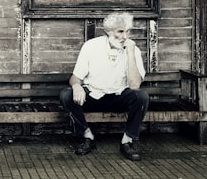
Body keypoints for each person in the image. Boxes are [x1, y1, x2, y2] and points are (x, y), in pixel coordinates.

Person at [59, 12, 149, 161]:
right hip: (94, 96)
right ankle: (87, 136)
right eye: (120, 31)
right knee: (66, 95)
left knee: (142, 96)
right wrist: (76, 87)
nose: (125, 36)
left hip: (120, 97)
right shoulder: (91, 46)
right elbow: (76, 77)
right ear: (108, 32)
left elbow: (134, 85)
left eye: (128, 31)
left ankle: (127, 141)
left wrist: (131, 53)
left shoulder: (134, 50)